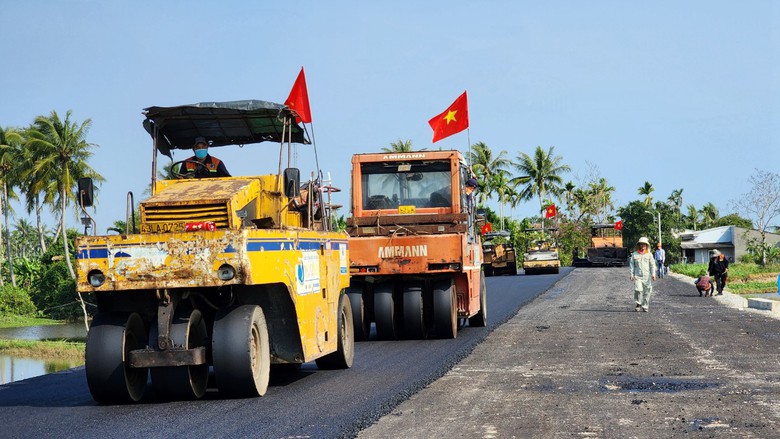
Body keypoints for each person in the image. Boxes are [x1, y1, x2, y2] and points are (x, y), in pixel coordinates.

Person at [629, 236, 656, 312]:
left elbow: (652, 265)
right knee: (638, 290)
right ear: (639, 245)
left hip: (647, 276)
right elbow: (632, 265)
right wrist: (631, 274)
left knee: (647, 291)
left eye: (644, 244)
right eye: (641, 244)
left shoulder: (649, 255)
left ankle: (645, 306)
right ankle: (638, 303)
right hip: (638, 276)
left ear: (647, 245)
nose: (642, 246)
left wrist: (653, 274)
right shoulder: (635, 254)